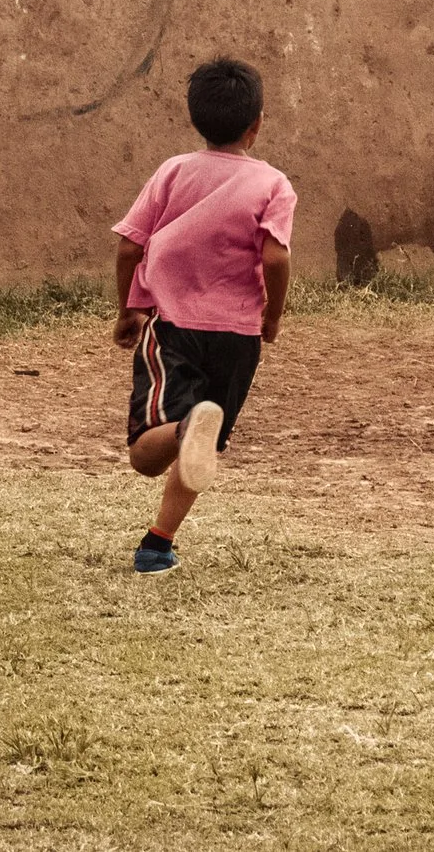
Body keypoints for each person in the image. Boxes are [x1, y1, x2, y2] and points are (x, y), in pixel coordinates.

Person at [111, 58, 295, 574]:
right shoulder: (275, 184)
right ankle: (157, 544)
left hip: (172, 326)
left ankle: (187, 428)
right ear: (256, 124)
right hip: (238, 337)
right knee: (201, 444)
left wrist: (128, 309)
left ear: (195, 119)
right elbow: (276, 257)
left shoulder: (173, 171)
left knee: (145, 456)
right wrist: (273, 317)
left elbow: (130, 246)